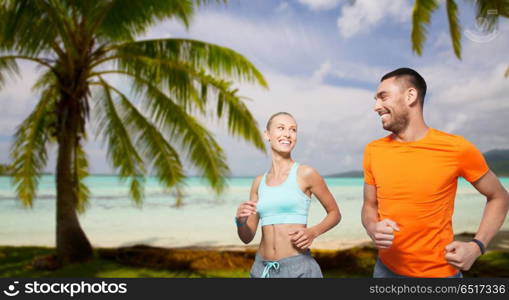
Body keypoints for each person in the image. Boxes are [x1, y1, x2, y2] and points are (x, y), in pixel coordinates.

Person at [362, 67, 509, 278]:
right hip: (385, 271)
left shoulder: (457, 148)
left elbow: (499, 197)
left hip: (441, 275)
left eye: (383, 97)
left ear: (410, 96)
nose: (376, 107)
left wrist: (477, 246)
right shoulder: (373, 150)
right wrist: (372, 227)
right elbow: (369, 205)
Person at [235, 112, 341, 278]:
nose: (287, 134)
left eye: (293, 130)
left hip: (298, 269)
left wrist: (313, 232)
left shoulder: (306, 173)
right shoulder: (258, 183)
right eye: (281, 128)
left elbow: (335, 213)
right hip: (262, 270)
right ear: (267, 134)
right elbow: (247, 237)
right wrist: (240, 222)